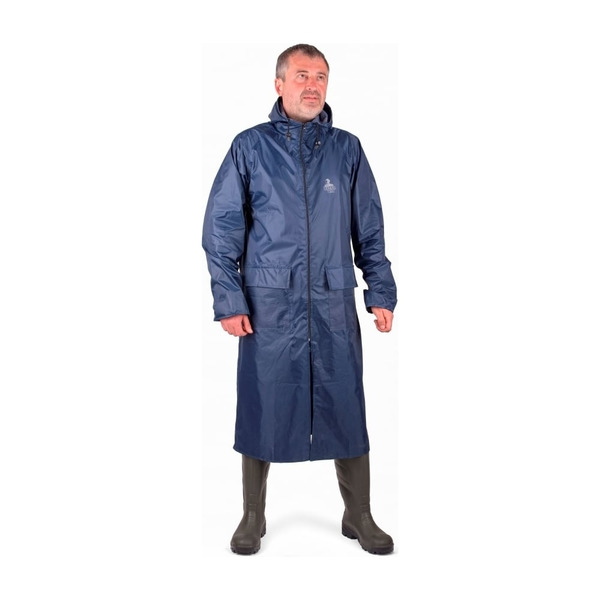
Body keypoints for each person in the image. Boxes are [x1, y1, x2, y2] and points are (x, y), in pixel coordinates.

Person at [202, 44, 397, 555]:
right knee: (262, 403)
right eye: (302, 75)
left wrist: (380, 290)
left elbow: (369, 228)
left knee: (345, 403)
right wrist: (229, 299)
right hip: (269, 306)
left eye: (321, 77)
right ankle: (252, 515)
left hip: (332, 303)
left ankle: (359, 514)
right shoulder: (249, 147)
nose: (313, 86)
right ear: (279, 84)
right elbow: (222, 230)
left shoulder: (347, 149)